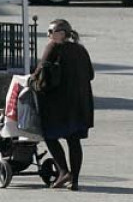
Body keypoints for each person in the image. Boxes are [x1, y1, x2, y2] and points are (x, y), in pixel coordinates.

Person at [32, 19, 94, 191]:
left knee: (50, 136)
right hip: (80, 103)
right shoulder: (81, 49)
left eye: (51, 32)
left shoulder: (53, 47)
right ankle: (74, 180)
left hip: (58, 104)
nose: (49, 36)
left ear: (61, 33)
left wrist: (31, 80)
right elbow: (90, 74)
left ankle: (64, 171)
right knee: (74, 140)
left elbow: (40, 71)